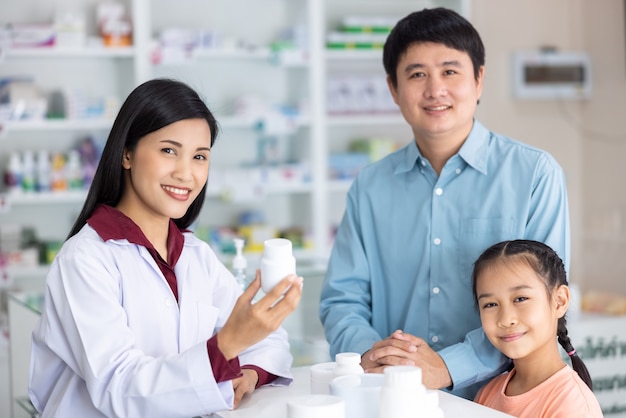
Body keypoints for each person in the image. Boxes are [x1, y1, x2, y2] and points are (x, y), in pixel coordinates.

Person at [319, 7, 570, 399]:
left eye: (450, 71)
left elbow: (543, 303)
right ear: (393, 88)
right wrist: (373, 355)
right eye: (417, 74)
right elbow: (342, 297)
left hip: (508, 399)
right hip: (394, 398)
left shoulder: (535, 174)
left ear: (479, 79)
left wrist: (450, 365)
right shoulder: (370, 187)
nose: (435, 89)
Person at [29, 78, 303, 417]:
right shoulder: (85, 259)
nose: (186, 173)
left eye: (199, 156)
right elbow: (120, 387)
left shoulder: (194, 254)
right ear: (127, 153)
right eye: (169, 150)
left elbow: (269, 342)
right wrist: (227, 346)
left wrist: (248, 373)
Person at [472, 240, 602, 417]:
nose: (506, 319)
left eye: (520, 299)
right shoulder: (486, 395)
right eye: (491, 304)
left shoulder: (572, 405)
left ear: (559, 301)